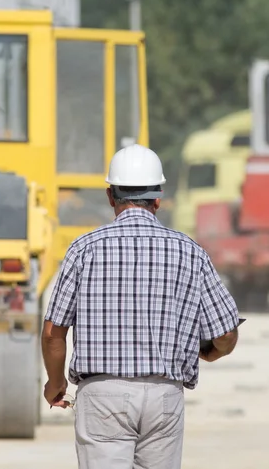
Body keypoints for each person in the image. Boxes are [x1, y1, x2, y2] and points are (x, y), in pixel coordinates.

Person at [41, 144, 240, 469]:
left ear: (110, 196)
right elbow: (226, 333)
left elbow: (52, 334)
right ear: (158, 198)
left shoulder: (83, 249)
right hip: (164, 396)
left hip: (102, 396)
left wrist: (56, 383)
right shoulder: (190, 252)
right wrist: (211, 352)